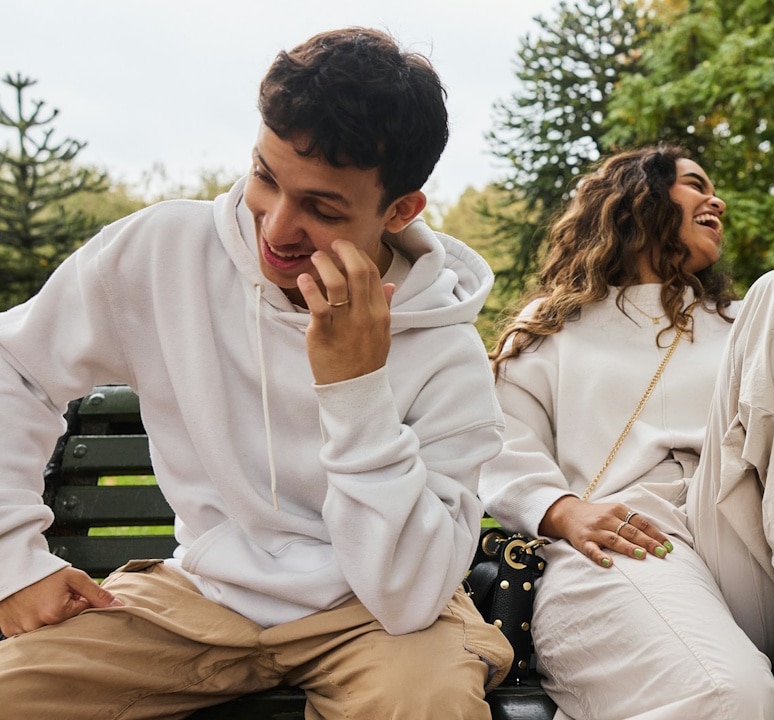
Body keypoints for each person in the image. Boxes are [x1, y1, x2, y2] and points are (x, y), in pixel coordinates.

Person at [0, 27, 512, 718]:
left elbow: (408, 594)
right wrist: (15, 562)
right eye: (265, 177)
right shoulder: (164, 252)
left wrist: (354, 389)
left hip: (379, 618)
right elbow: (15, 364)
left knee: (426, 708)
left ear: (400, 210)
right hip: (200, 596)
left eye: (323, 208)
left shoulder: (447, 352)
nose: (275, 229)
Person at [479, 145, 774, 719]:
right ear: (635, 200)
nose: (715, 198)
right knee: (735, 701)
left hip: (755, 550)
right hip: (625, 544)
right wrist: (563, 509)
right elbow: (502, 449)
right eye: (694, 184)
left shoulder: (745, 325)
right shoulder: (550, 328)